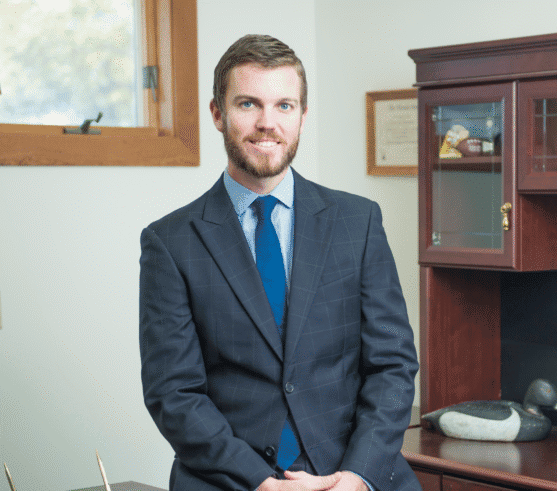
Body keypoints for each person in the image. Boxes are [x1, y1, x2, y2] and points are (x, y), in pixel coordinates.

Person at [139, 35, 421, 491]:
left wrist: (356, 477)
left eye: (284, 106)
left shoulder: (358, 222)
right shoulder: (170, 242)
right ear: (217, 113)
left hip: (351, 474)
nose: (267, 123)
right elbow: (174, 394)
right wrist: (261, 483)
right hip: (231, 478)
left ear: (303, 117)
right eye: (248, 104)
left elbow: (392, 365)